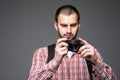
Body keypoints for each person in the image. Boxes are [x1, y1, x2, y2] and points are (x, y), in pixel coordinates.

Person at [28, 5, 117, 80]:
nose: (69, 31)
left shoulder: (89, 52)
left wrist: (97, 62)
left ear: (78, 26)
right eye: (64, 25)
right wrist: (54, 63)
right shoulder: (42, 53)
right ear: (56, 26)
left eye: (73, 25)